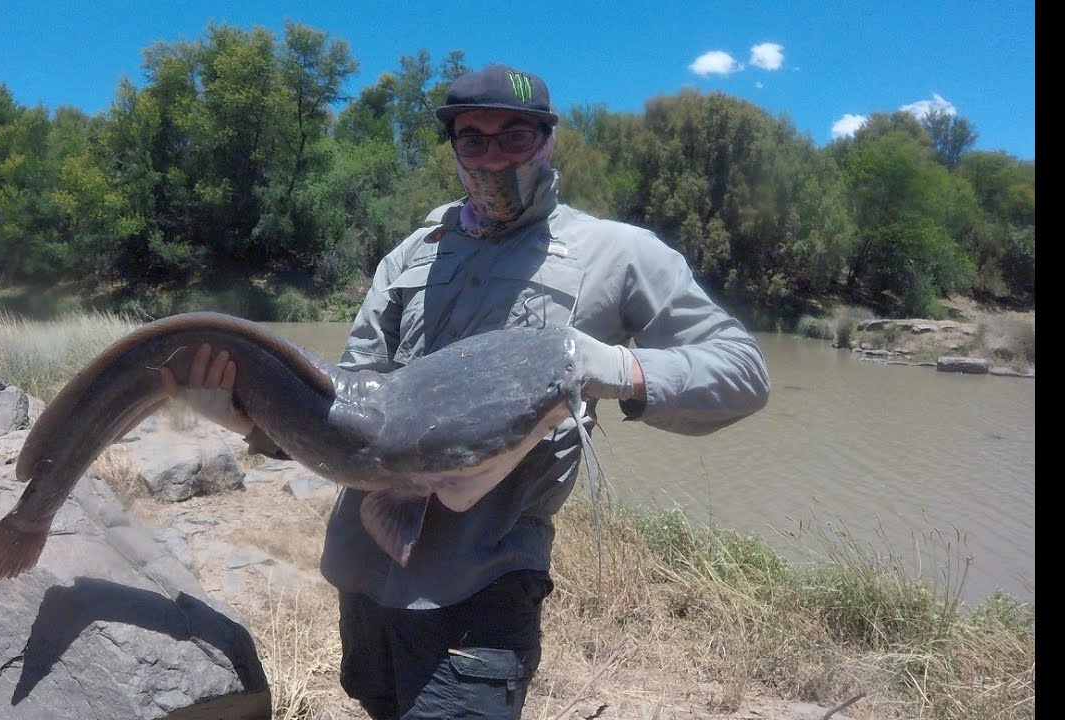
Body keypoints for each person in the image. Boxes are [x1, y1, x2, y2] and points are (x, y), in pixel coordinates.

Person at [166, 63, 771, 719]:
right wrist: (245, 418)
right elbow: (344, 410)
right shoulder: (411, 257)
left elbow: (743, 372)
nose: (492, 157)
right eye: (472, 139)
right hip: (363, 573)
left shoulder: (619, 254)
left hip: (479, 592)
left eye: (514, 137)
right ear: (453, 149)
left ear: (548, 139)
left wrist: (623, 369)